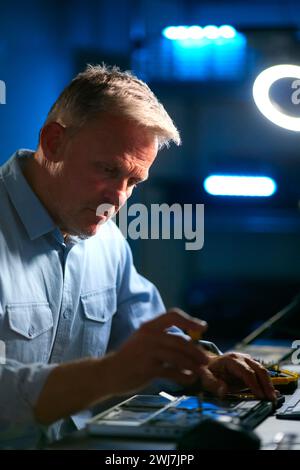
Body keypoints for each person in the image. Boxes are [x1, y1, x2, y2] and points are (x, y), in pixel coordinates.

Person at [0, 64, 275, 448]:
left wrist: (203, 365)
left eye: (133, 181)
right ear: (54, 141)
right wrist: (109, 374)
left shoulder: (105, 239)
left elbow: (146, 336)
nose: (118, 199)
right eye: (108, 170)